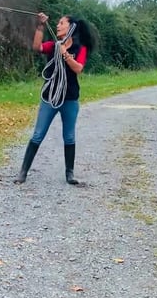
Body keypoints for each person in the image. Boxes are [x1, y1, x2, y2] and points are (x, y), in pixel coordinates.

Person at [14, 12, 98, 185]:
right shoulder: (54, 45)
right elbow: (37, 47)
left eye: (61, 23)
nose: (58, 26)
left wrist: (65, 54)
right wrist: (40, 26)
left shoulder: (80, 48)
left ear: (71, 28)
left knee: (69, 136)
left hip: (70, 99)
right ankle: (23, 172)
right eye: (58, 23)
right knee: (38, 134)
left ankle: (69, 173)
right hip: (50, 97)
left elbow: (78, 68)